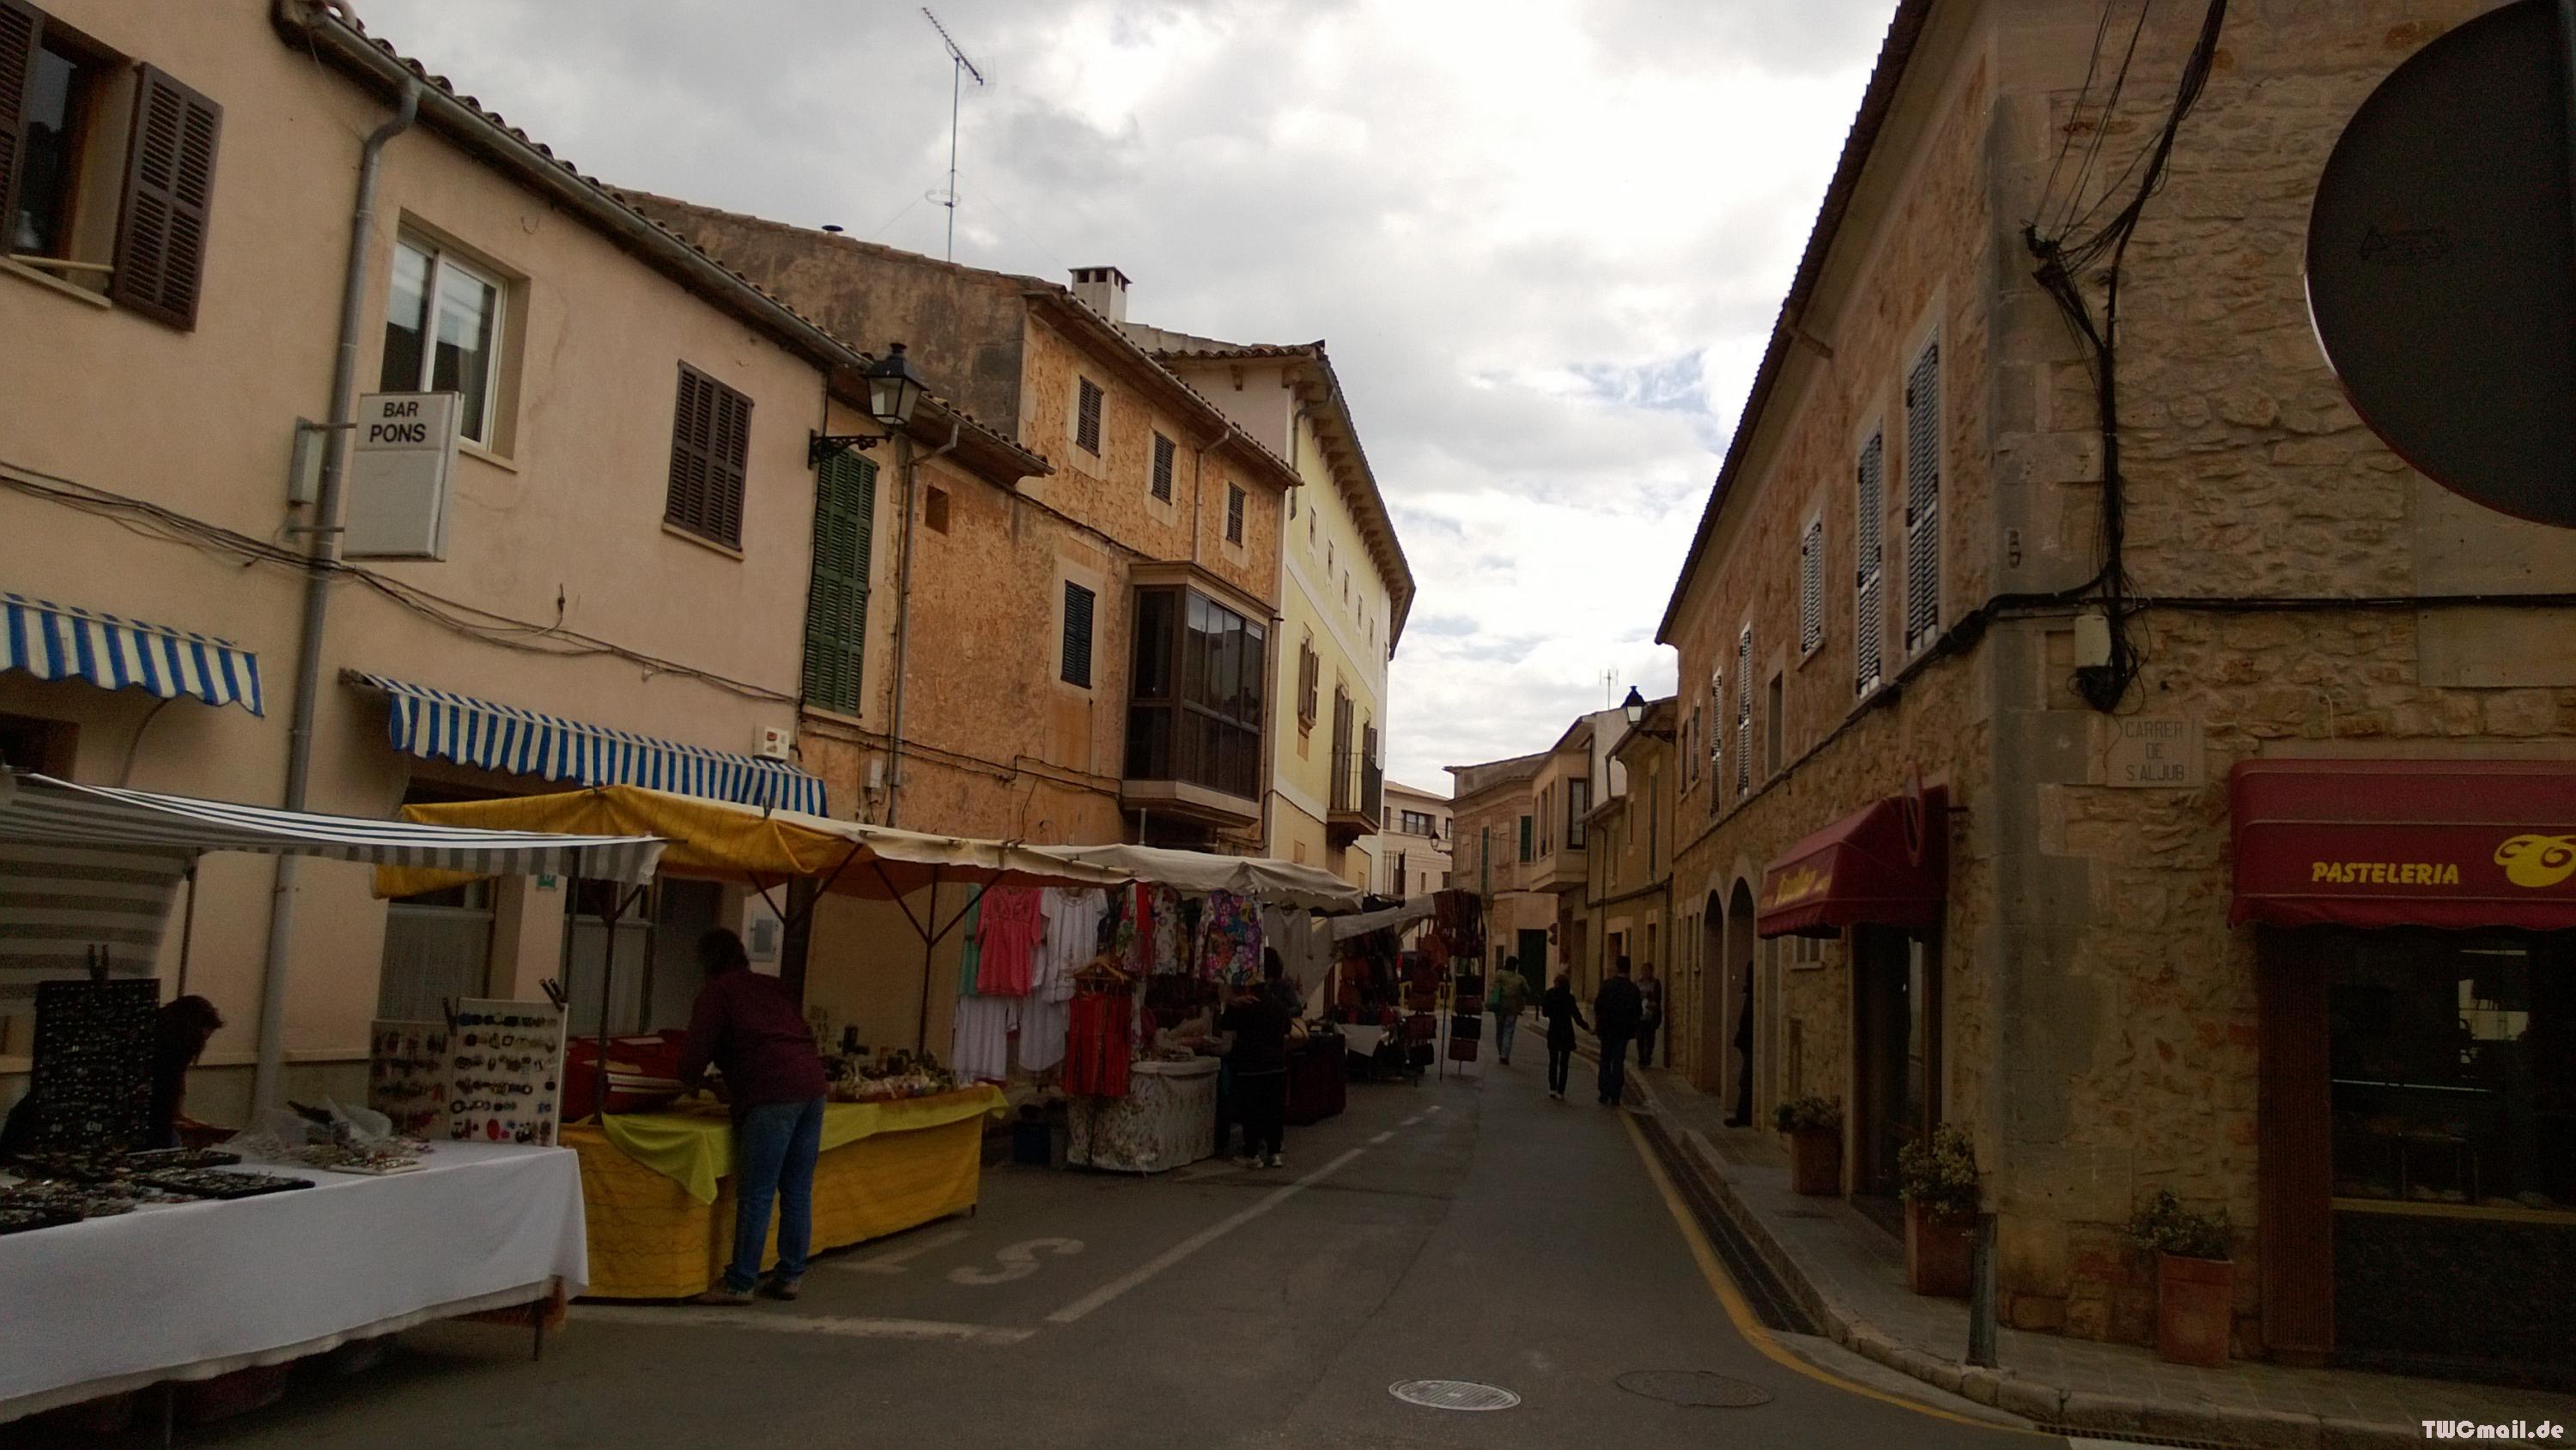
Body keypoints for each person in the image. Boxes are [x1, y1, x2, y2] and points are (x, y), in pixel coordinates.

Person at [678, 927, 829, 1306]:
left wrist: (690, 1080)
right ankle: (790, 1275)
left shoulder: (718, 993)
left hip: (770, 1092)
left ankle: (740, 1282)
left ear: (707, 962)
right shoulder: (771, 986)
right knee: (797, 1189)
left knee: (757, 1192)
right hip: (811, 1086)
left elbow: (695, 1053)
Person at [1212, 955, 1294, 1168]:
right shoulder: (1277, 1005)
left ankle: (1252, 1153)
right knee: (1273, 1110)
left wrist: (1231, 1004)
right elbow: (1287, 1028)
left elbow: (1225, 1024)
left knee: (1252, 1110)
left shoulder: (1244, 1006)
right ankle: (1275, 1152)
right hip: (1277, 1065)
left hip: (1252, 1067)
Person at [149, 995, 224, 1149]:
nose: (201, 1045)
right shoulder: (171, 1050)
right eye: (201, 1040)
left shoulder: (173, 1044)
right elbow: (173, 1082)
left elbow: (177, 1081)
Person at [1594, 956, 1644, 1107]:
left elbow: (1598, 1006)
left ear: (1617, 967)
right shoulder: (1633, 989)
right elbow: (1638, 1011)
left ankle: (1604, 1092)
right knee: (1618, 1061)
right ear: (1629, 968)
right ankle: (1616, 1095)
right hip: (1623, 1031)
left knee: (1605, 1060)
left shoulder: (1607, 985)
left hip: (1607, 1029)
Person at [1539, 971, 1588, 1101]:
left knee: (1553, 1061)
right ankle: (1561, 1090)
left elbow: (1545, 1013)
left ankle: (1552, 1088)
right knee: (1564, 1063)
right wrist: (1587, 1028)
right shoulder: (1569, 998)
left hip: (1554, 1030)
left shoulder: (1550, 995)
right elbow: (1577, 1016)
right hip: (1566, 1032)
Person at [1489, 956, 1529, 1066]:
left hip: (1500, 1007)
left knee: (1500, 1031)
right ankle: (1504, 1055)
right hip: (1513, 1008)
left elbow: (1495, 988)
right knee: (1508, 1031)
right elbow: (1527, 991)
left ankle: (1501, 1051)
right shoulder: (1520, 979)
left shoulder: (1499, 974)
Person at [1635, 963, 1665, 1069]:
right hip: (1640, 1015)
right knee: (1640, 1038)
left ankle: (1648, 1057)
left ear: (1651, 971)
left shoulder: (1656, 983)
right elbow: (1635, 997)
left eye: (1647, 970)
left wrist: (1651, 999)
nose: (1645, 972)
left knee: (1650, 1038)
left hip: (1651, 1015)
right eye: (1643, 970)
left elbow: (1658, 998)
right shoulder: (1637, 983)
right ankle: (1641, 1059)